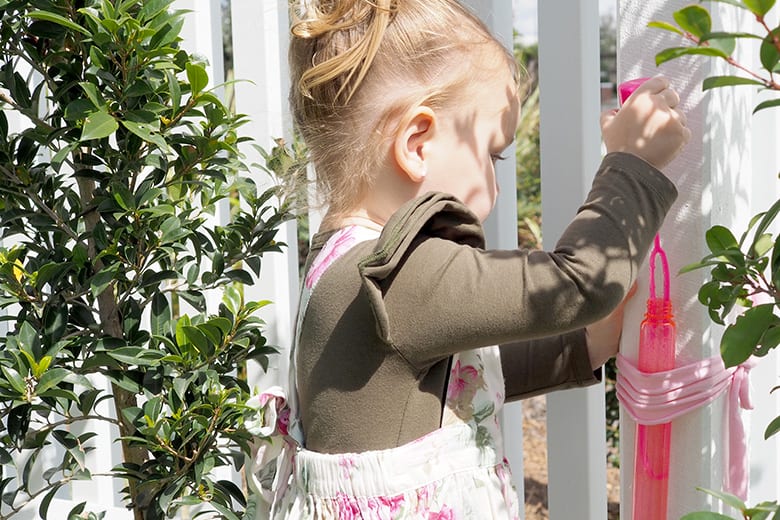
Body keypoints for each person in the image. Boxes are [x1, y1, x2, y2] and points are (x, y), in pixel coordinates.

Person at [251, 0, 690, 518]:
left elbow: (445, 382)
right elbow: (580, 281)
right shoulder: (398, 276)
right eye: (492, 153)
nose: (497, 187)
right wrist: (632, 163)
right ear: (417, 143)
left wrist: (582, 344)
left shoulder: (338, 262)